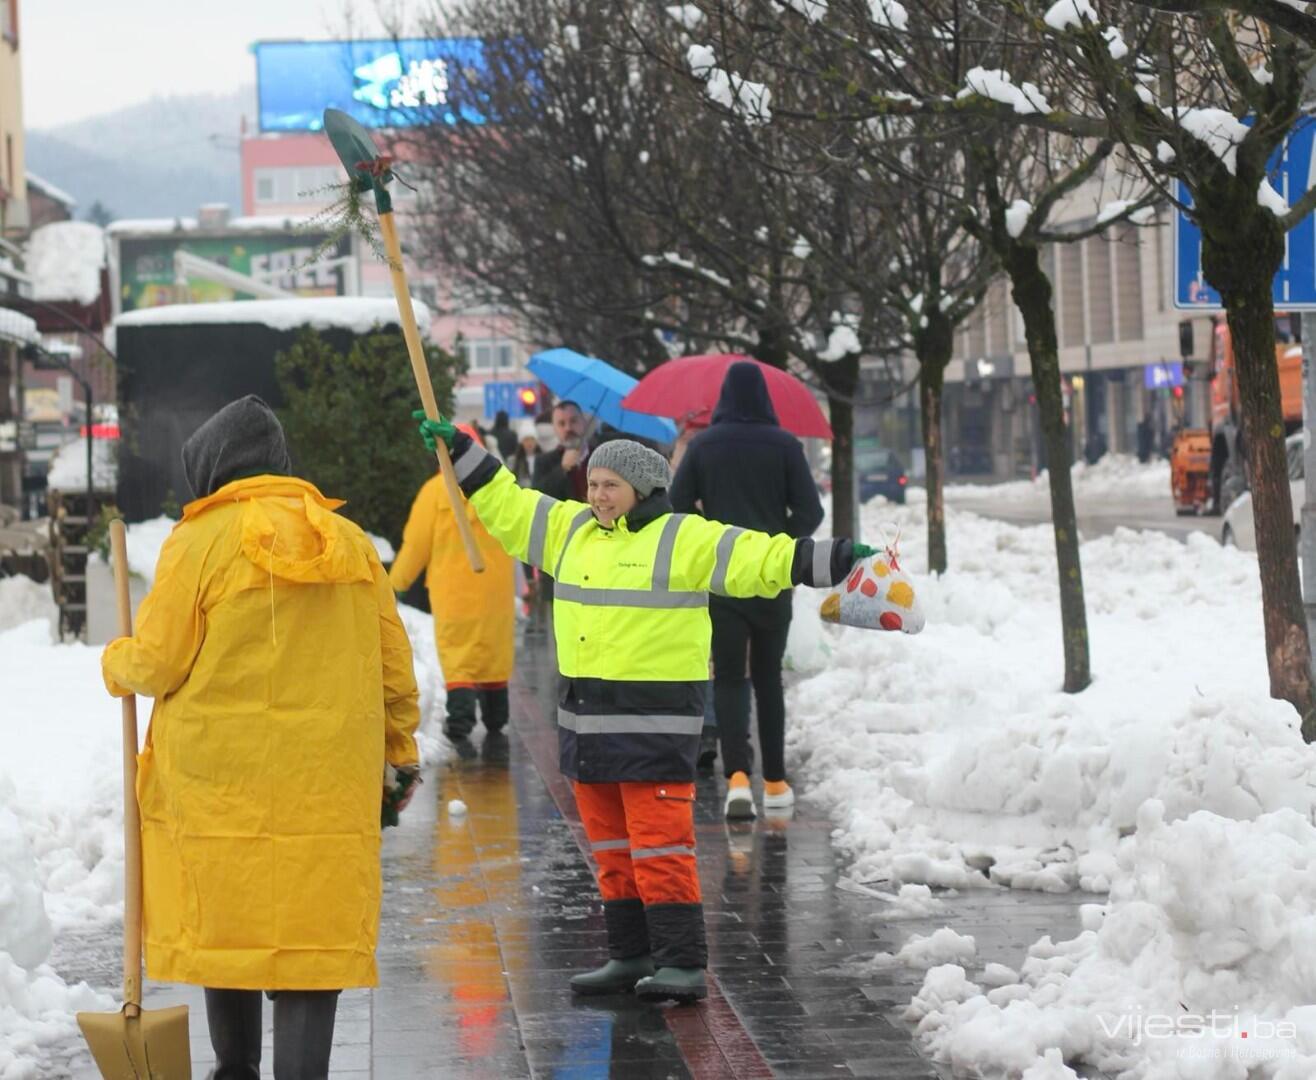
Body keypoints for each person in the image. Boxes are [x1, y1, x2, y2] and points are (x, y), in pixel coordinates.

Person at [412, 411, 873, 1004]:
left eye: (612, 486)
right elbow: (510, 504)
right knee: (611, 853)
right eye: (595, 484)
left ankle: (681, 963)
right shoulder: (568, 530)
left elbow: (761, 557)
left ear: (644, 489)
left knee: (661, 849)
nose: (599, 496)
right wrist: (460, 450)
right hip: (586, 725)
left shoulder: (684, 536)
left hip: (655, 723)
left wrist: (836, 559)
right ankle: (628, 955)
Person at [101, 395, 421, 1080]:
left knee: (231, 922)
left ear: (213, 468)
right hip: (326, 784)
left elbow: (157, 662)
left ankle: (235, 1070)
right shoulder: (351, 544)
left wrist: (114, 658)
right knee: (312, 937)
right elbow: (395, 667)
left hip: (220, 783)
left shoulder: (198, 541)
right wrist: (399, 753)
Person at [671, 362, 824, 820]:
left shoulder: (703, 446)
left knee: (731, 677)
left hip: (721, 576)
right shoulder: (785, 446)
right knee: (768, 679)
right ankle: (775, 781)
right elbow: (812, 512)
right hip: (772, 577)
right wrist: (780, 540)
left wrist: (708, 536)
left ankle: (737, 777)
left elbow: (678, 505)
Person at [390, 423, 517, 743]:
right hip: (495, 590)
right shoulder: (494, 488)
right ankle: (496, 716)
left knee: (459, 655)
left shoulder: (434, 493)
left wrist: (394, 584)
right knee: (493, 651)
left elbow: (415, 545)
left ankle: (460, 721)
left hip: (454, 592)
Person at [532, 399, 590, 502]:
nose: (568, 428)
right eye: (561, 424)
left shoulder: (602, 455)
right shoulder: (544, 462)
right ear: (554, 428)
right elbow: (537, 498)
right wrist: (562, 469)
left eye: (573, 421)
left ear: (584, 422)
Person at [510, 420, 541, 487]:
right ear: (521, 442)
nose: (530, 443)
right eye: (526, 439)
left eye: (532, 439)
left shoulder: (543, 460)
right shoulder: (514, 461)